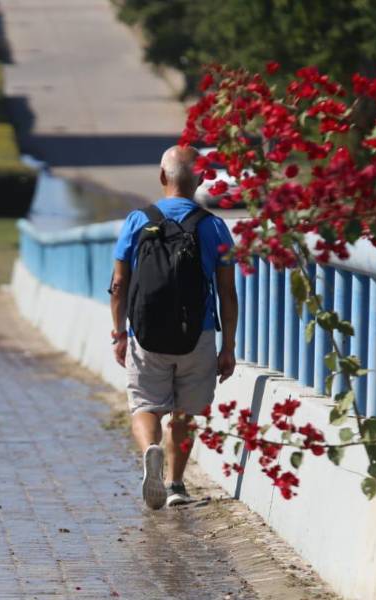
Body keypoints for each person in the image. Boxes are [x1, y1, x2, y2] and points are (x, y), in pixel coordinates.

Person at [109, 145, 238, 510]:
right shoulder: (214, 226)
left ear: (162, 176)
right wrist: (228, 347)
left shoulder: (138, 220)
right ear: (201, 179)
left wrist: (119, 333)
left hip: (146, 334)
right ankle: (176, 485)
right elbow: (227, 292)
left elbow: (119, 284)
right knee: (185, 411)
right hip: (198, 333)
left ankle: (151, 449)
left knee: (145, 405)